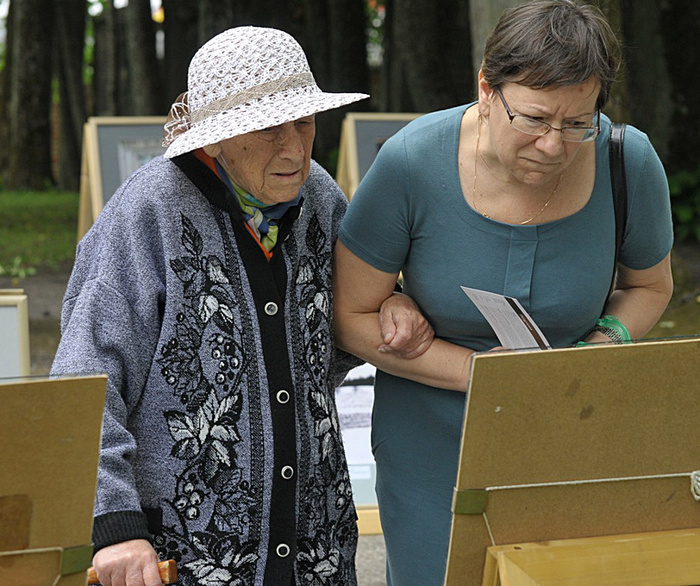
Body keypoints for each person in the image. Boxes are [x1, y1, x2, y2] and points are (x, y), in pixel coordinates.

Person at [51, 27, 432, 586]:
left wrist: (393, 303)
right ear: (214, 139)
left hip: (314, 548)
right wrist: (113, 525)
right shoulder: (147, 213)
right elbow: (83, 383)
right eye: (269, 127)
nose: (294, 148)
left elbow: (342, 321)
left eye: (304, 122)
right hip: (180, 556)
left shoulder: (319, 196)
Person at [332, 1, 674, 584]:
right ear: (487, 90)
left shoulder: (627, 160)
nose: (553, 145)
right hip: (432, 436)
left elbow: (650, 285)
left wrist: (601, 344)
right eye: (534, 119)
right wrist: (481, 374)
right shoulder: (412, 162)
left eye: (578, 123)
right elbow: (350, 315)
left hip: (573, 421)